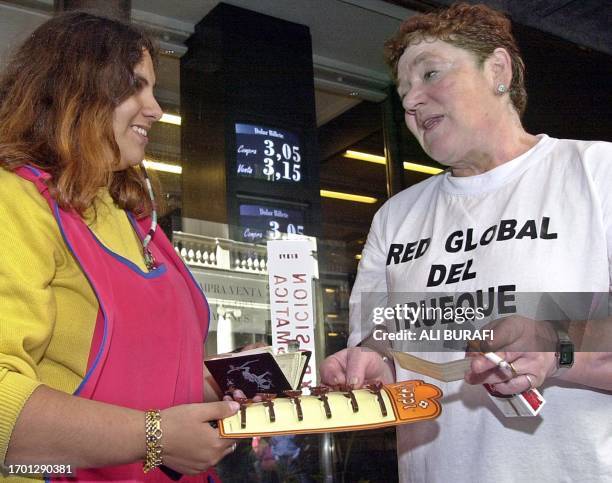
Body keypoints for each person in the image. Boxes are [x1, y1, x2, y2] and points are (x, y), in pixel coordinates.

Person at [320, 3, 612, 482]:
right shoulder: (396, 217)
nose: (412, 101)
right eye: (403, 92)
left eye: (430, 74)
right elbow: (385, 345)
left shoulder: (596, 173)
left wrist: (554, 345)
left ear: (497, 69)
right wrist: (370, 364)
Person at [0, 12, 241, 482]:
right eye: (135, 86)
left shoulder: (129, 216)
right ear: (75, 89)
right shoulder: (15, 201)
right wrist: (155, 438)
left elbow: (152, 375)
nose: (155, 109)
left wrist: (228, 380)